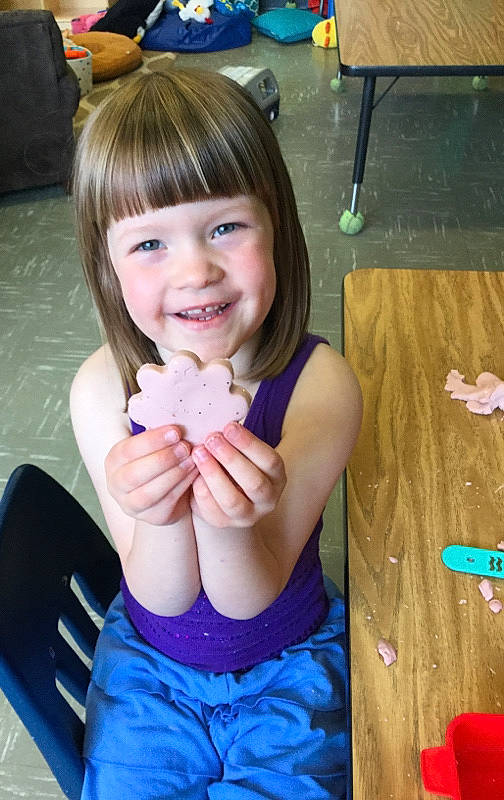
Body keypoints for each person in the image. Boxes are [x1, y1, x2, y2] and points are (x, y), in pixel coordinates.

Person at [70, 68, 362, 800]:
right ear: (108, 268)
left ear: (278, 228)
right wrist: (158, 513)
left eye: (225, 227)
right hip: (152, 667)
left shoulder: (320, 390)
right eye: (148, 245)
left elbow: (247, 597)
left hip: (287, 662)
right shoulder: (102, 391)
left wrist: (232, 523)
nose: (196, 270)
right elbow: (160, 595)